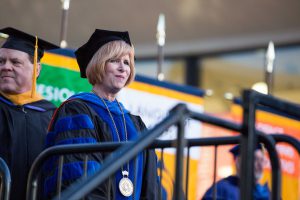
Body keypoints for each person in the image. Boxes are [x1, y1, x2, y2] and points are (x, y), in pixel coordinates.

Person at [43, 29, 159, 199]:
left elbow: (151, 184)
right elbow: (79, 176)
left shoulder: (135, 123)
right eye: (114, 61)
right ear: (98, 64)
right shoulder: (77, 110)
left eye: (127, 63)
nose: (122, 68)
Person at [0, 27, 58, 200]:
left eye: (15, 62)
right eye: (1, 61)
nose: (6, 67)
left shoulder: (52, 115)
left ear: (37, 70)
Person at [202, 144, 270, 200]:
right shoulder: (221, 190)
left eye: (262, 160)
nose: (260, 165)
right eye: (255, 159)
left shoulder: (266, 193)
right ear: (239, 162)